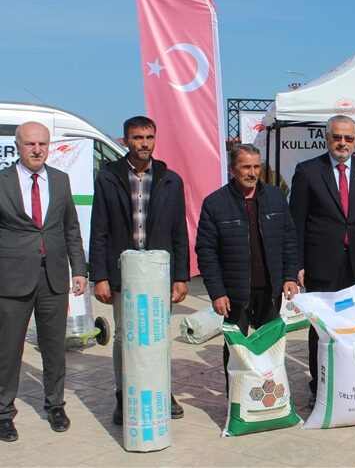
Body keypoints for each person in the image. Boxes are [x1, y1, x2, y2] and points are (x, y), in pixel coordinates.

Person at [89, 116, 189, 425]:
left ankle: (162, 390)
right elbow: (99, 230)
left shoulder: (170, 179)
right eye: (137, 138)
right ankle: (125, 395)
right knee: (123, 337)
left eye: (148, 137)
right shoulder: (109, 178)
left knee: (158, 336)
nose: (143, 143)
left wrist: (181, 276)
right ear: (125, 140)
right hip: (123, 274)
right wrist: (100, 276)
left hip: (158, 274)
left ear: (155, 139)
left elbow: (179, 232)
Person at [289, 115, 355, 407]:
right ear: (326, 137)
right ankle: (320, 388)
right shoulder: (307, 171)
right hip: (322, 264)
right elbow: (297, 222)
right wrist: (298, 265)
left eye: (349, 138)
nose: (343, 143)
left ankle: (351, 383)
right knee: (322, 329)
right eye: (337, 137)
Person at [0, 122, 87, 442]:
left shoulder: (60, 180)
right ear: (18, 146)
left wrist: (79, 269)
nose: (37, 150)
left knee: (54, 348)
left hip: (52, 276)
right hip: (11, 278)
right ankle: (4, 413)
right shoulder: (3, 181)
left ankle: (55, 405)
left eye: (43, 144)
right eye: (30, 144)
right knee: (8, 350)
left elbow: (71, 229)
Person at [196, 144, 299, 392]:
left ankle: (269, 396)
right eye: (246, 167)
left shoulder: (275, 197)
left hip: (270, 290)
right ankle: (236, 398)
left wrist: (289, 276)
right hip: (234, 293)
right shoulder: (215, 203)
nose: (252, 172)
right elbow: (206, 252)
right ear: (233, 169)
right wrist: (217, 292)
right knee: (235, 349)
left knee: (270, 346)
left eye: (256, 166)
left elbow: (289, 239)